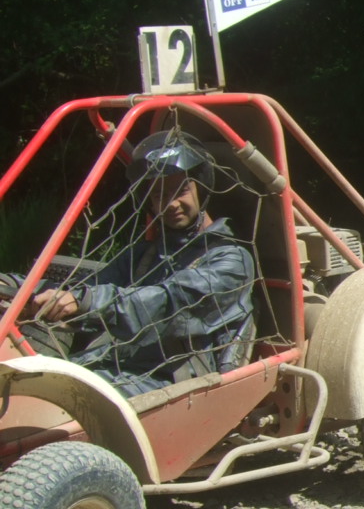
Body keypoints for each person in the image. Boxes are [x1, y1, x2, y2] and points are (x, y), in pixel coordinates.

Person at [1, 129, 257, 396]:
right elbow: (85, 287)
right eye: (158, 195)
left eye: (180, 190)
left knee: (53, 401)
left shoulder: (231, 261)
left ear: (200, 187)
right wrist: (16, 286)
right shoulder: (146, 254)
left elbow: (164, 303)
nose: (170, 204)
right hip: (119, 366)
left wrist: (84, 301)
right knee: (26, 386)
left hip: (176, 382)